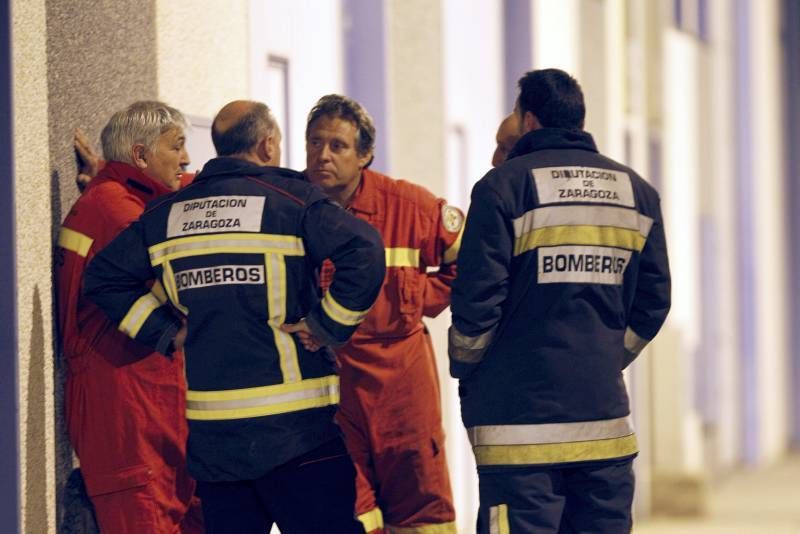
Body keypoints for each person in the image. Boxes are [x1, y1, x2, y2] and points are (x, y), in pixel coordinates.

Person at [83, 100, 386, 533]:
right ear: (267, 146)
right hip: (299, 436)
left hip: (215, 443)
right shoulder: (292, 202)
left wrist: (166, 331)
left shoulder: (169, 214)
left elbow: (104, 279)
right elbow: (366, 250)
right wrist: (327, 326)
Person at [449, 69, 671, 533]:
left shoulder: (503, 188)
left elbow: (476, 303)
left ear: (529, 121)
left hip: (517, 433)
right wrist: (607, 355)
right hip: (603, 429)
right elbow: (654, 302)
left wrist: (471, 366)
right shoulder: (637, 193)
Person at [304, 94, 460, 533]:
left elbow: (467, 262)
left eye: (337, 146)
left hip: (402, 388)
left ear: (366, 155)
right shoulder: (288, 205)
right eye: (315, 143)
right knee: (345, 509)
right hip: (327, 385)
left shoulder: (410, 206)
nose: (322, 155)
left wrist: (416, 301)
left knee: (421, 508)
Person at [55, 101, 203, 533]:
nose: (186, 159)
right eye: (176, 147)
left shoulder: (115, 200)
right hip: (126, 411)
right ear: (140, 157)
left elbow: (194, 189)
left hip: (135, 401)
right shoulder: (122, 214)